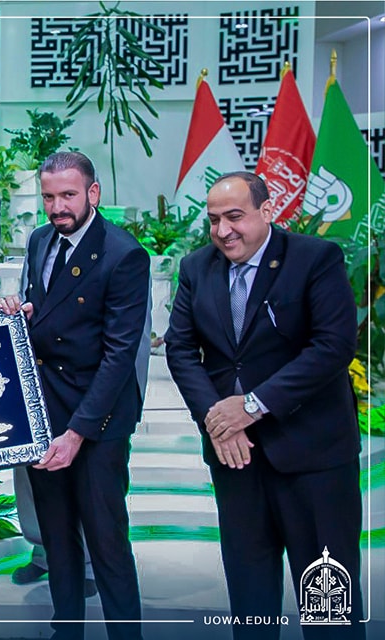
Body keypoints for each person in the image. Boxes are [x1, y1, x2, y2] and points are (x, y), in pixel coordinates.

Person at [164, 172, 364, 639]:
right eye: (214, 220)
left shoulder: (314, 258)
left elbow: (333, 346)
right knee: (250, 598)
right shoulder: (196, 268)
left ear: (267, 210)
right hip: (236, 458)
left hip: (312, 457)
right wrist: (218, 420)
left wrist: (252, 406)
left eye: (235, 217)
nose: (223, 231)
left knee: (328, 606)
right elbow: (180, 349)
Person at [0, 151, 149, 640]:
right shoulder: (40, 239)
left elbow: (119, 356)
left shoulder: (124, 254)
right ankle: (66, 629)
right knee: (57, 536)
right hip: (45, 412)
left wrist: (78, 433)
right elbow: (48, 311)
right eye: (48, 197)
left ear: (93, 193)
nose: (57, 207)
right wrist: (21, 312)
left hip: (97, 420)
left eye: (67, 195)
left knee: (106, 540)